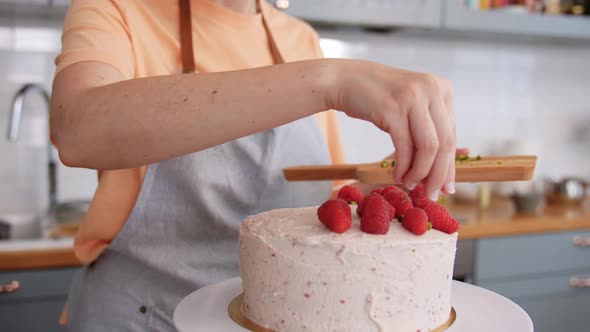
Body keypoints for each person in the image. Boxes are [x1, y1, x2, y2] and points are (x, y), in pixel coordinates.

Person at [50, 0, 456, 330]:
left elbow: (322, 198)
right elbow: (77, 130)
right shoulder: (116, 8)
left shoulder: (300, 40)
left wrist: (381, 193)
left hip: (267, 318)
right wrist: (331, 80)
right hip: (144, 316)